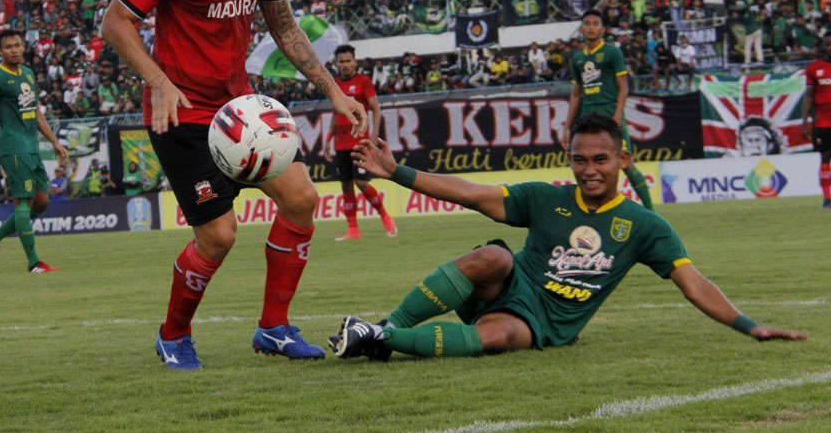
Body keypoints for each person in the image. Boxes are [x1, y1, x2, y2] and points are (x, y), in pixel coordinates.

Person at [101, 0, 367, 370]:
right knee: (219, 234)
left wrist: (334, 90)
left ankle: (274, 328)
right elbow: (115, 21)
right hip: (181, 114)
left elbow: (285, 27)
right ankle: (173, 336)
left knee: (300, 200)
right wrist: (157, 81)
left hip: (240, 112)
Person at [331, 114, 807, 361]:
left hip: (546, 325)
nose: (589, 170)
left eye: (600, 159)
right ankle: (381, 329)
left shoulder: (645, 227)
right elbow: (472, 193)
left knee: (499, 336)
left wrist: (749, 325)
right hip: (511, 289)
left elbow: (693, 282)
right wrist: (398, 173)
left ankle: (382, 338)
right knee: (491, 258)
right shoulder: (546, 197)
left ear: (622, 160)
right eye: (580, 160)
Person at [0, 30, 69, 273]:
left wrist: (54, 141)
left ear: (23, 46)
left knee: (41, 202)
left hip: (31, 146)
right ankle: (34, 262)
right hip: (12, 145)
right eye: (8, 46)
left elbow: (36, 111)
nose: (14, 50)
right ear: (0, 51)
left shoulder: (28, 74)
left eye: (17, 45)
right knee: (22, 201)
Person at [563, 10, 654, 210]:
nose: (591, 27)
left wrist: (617, 116)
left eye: (596, 23)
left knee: (626, 164)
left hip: (610, 113)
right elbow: (576, 94)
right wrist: (567, 127)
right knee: (587, 165)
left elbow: (623, 87)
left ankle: (652, 212)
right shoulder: (577, 58)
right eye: (587, 24)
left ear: (603, 29)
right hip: (588, 118)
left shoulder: (612, 52)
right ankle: (592, 210)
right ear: (582, 28)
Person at [322, 44, 396, 241]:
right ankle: (353, 230)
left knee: (361, 182)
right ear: (336, 64)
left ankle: (385, 216)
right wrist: (328, 140)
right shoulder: (335, 83)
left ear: (354, 61)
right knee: (346, 186)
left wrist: (373, 136)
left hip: (359, 143)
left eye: (348, 61)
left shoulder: (364, 81)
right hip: (340, 144)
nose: (345, 65)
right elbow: (335, 113)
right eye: (341, 61)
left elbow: (376, 108)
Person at [801, 35, 831, 207]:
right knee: (825, 157)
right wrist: (804, 122)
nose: (830, 48)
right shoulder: (814, 68)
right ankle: (827, 198)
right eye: (828, 45)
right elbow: (809, 97)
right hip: (823, 123)